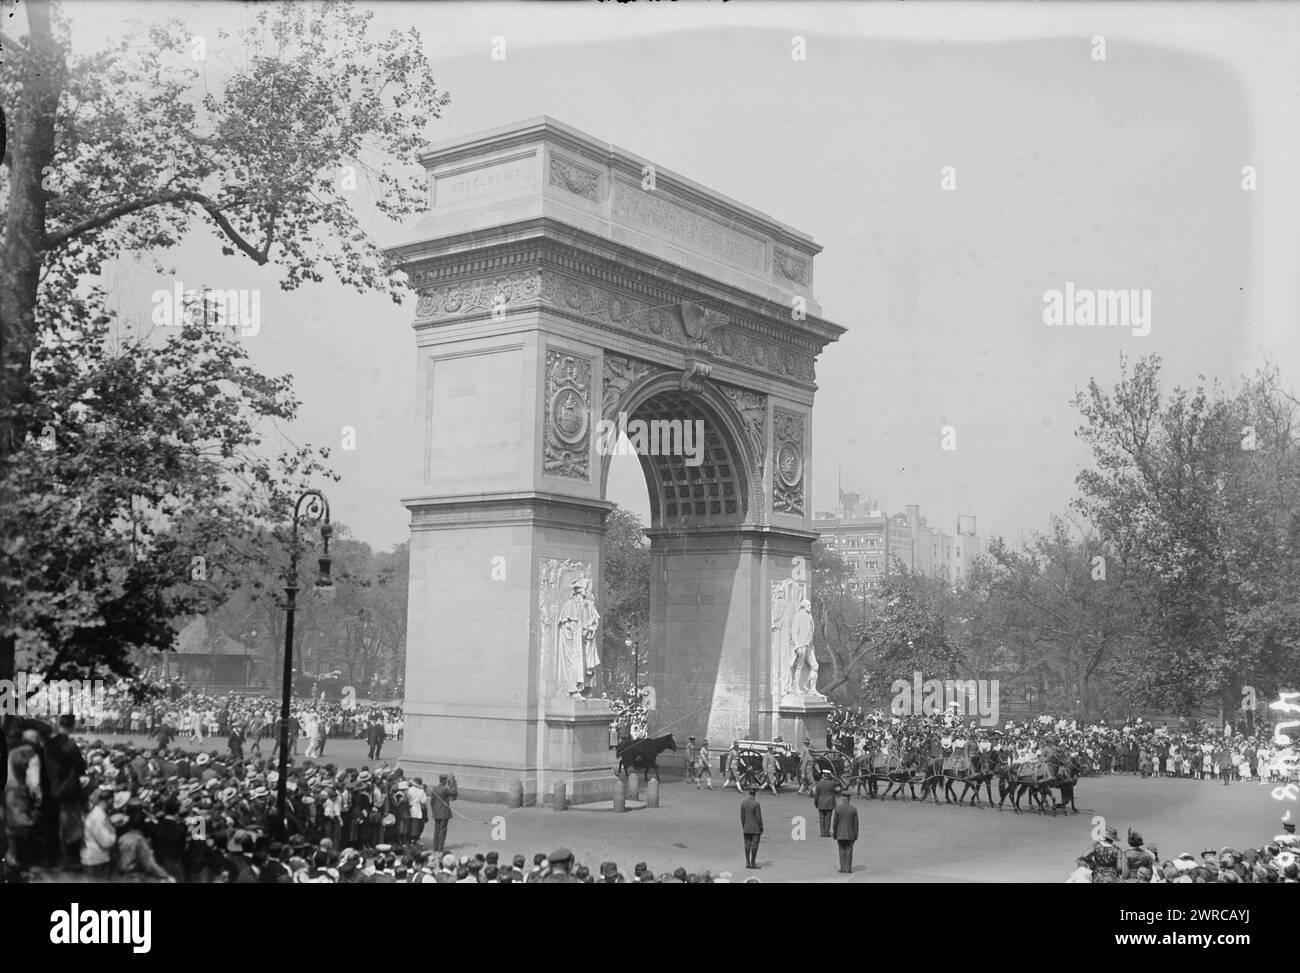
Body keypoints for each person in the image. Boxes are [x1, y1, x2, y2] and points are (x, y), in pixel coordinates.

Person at [44, 714, 87, 870]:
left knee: (57, 827)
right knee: (70, 829)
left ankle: (58, 859)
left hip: (51, 789)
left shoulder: (48, 744)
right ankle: (68, 861)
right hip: (67, 792)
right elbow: (81, 766)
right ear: (72, 726)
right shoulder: (70, 745)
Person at [80, 789, 116, 880]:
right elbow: (106, 842)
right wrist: (113, 830)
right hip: (97, 861)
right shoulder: (98, 818)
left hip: (93, 859)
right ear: (109, 800)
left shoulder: (96, 815)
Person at [831, 791, 859, 874]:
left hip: (840, 833)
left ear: (843, 799)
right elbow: (856, 824)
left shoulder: (838, 809)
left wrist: (834, 833)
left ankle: (842, 868)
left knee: (841, 851)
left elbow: (835, 823)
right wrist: (856, 834)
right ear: (849, 799)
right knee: (849, 851)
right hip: (850, 834)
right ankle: (848, 868)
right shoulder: (853, 809)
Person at [429, 773, 454, 852]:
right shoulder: (445, 789)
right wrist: (452, 783)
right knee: (442, 831)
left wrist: (434, 811)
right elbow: (454, 793)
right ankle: (440, 848)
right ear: (445, 781)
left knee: (436, 830)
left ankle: (434, 847)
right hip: (444, 813)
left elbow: (432, 802)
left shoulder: (434, 789)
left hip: (436, 813)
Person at [740, 787, 763, 870]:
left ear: (749, 793)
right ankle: (753, 863)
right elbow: (758, 818)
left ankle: (747, 862)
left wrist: (744, 826)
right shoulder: (756, 804)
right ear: (755, 794)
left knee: (747, 845)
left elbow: (742, 817)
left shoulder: (743, 803)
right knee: (754, 846)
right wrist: (761, 827)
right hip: (755, 829)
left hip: (746, 828)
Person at [812, 770, 838, 837]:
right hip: (830, 803)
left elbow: (816, 795)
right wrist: (833, 777)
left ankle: (822, 832)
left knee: (821, 818)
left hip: (821, 803)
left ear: (823, 775)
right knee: (828, 818)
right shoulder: (832, 783)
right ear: (829, 775)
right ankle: (827, 832)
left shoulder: (819, 784)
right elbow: (839, 782)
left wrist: (816, 803)